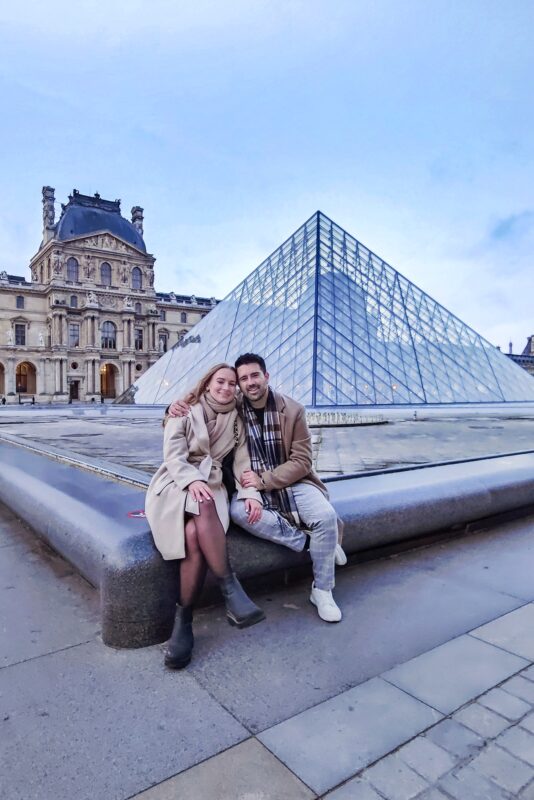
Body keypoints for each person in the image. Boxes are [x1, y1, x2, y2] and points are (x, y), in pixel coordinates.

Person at [170, 353, 346, 623]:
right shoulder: (234, 404)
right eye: (243, 379)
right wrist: (172, 408)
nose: (249, 382)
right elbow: (201, 405)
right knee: (240, 513)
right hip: (250, 485)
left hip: (293, 481)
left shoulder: (293, 409)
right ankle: (314, 543)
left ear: (266, 376)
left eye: (255, 375)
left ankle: (322, 590)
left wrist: (264, 480)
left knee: (325, 516)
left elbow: (301, 461)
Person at [146, 363, 265, 670]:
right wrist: (191, 480)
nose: (226, 388)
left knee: (192, 535)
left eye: (231, 384)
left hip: (211, 488)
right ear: (208, 383)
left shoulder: (238, 419)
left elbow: (242, 464)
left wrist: (251, 494)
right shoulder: (184, 409)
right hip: (175, 484)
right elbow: (173, 455)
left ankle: (183, 622)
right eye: (220, 382)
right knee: (203, 501)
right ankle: (230, 589)